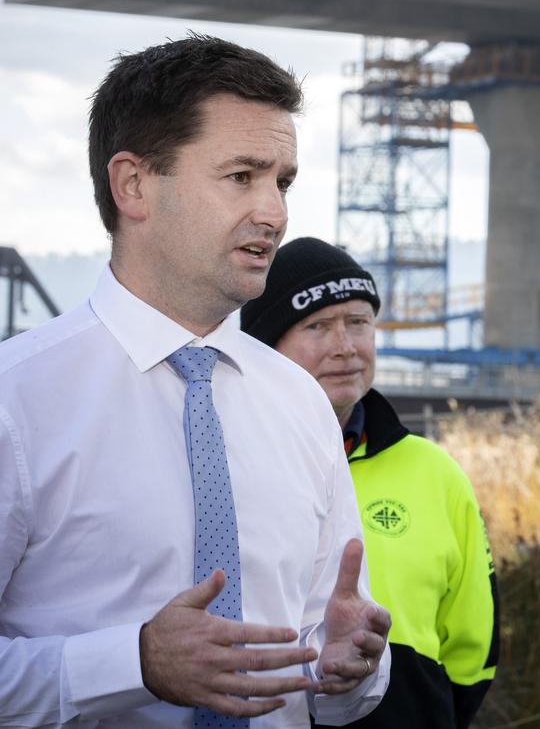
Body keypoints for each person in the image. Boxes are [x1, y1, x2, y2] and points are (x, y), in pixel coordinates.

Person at [0, 36, 391, 728]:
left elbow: (327, 677)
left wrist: (345, 670)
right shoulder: (17, 399)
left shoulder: (301, 402)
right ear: (135, 186)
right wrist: (134, 662)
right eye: (242, 176)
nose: (274, 212)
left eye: (283, 181)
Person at [241, 237, 500, 729]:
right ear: (263, 347)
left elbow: (475, 648)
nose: (345, 347)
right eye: (317, 326)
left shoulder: (434, 471)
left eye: (358, 323)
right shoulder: (224, 465)